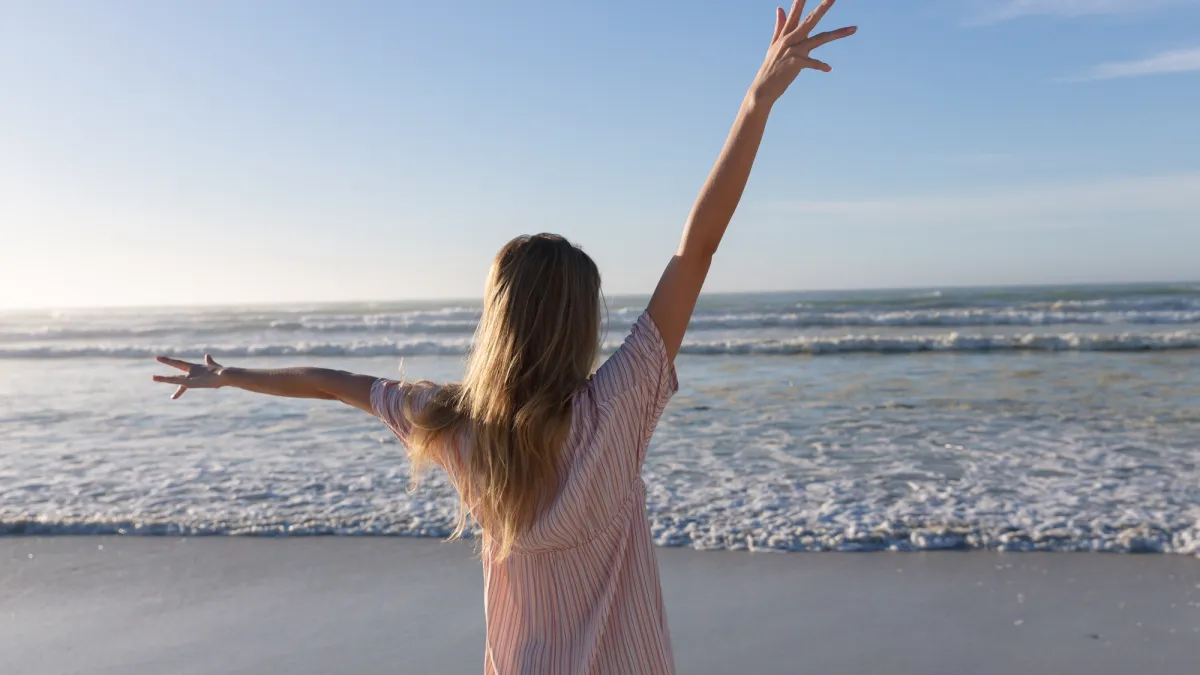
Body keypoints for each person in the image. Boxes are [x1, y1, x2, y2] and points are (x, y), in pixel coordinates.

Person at [152, 2, 855, 672]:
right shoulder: (615, 408)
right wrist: (755, 103)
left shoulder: (454, 425)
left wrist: (233, 374)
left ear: (499, 322)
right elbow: (695, 249)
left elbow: (335, 384)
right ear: (581, 321)